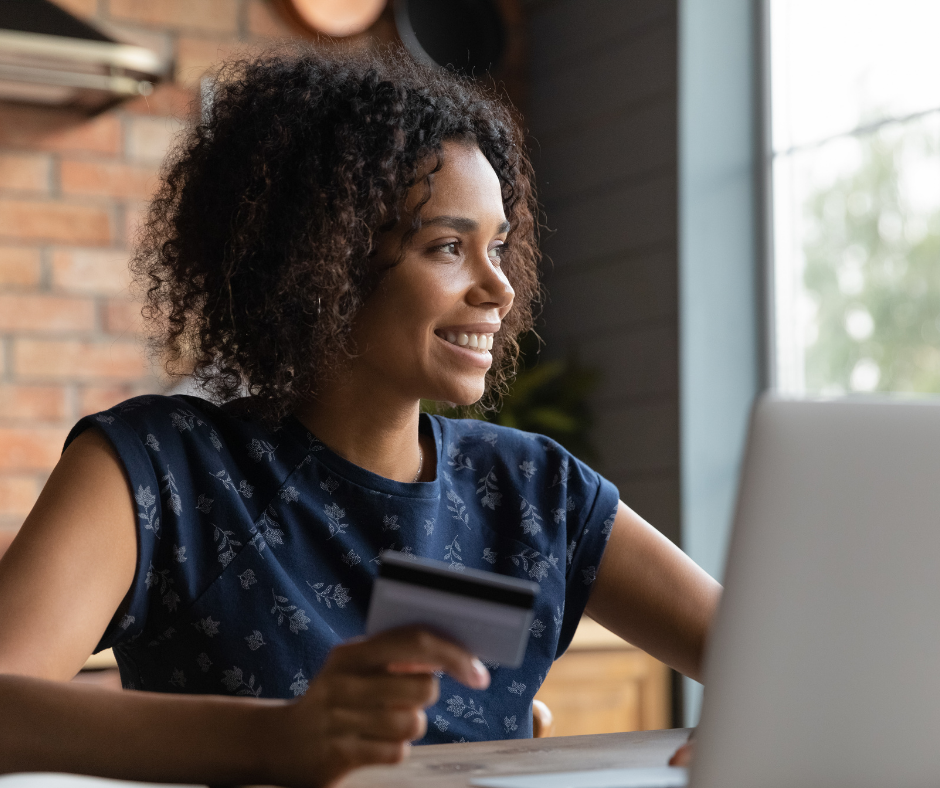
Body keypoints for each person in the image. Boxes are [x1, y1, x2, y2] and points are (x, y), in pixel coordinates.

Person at [0, 45, 720, 787]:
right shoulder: (158, 469)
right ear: (323, 260)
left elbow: (769, 659)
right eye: (448, 246)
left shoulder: (536, 491)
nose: (499, 288)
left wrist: (760, 727)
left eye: (498, 246)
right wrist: (280, 742)